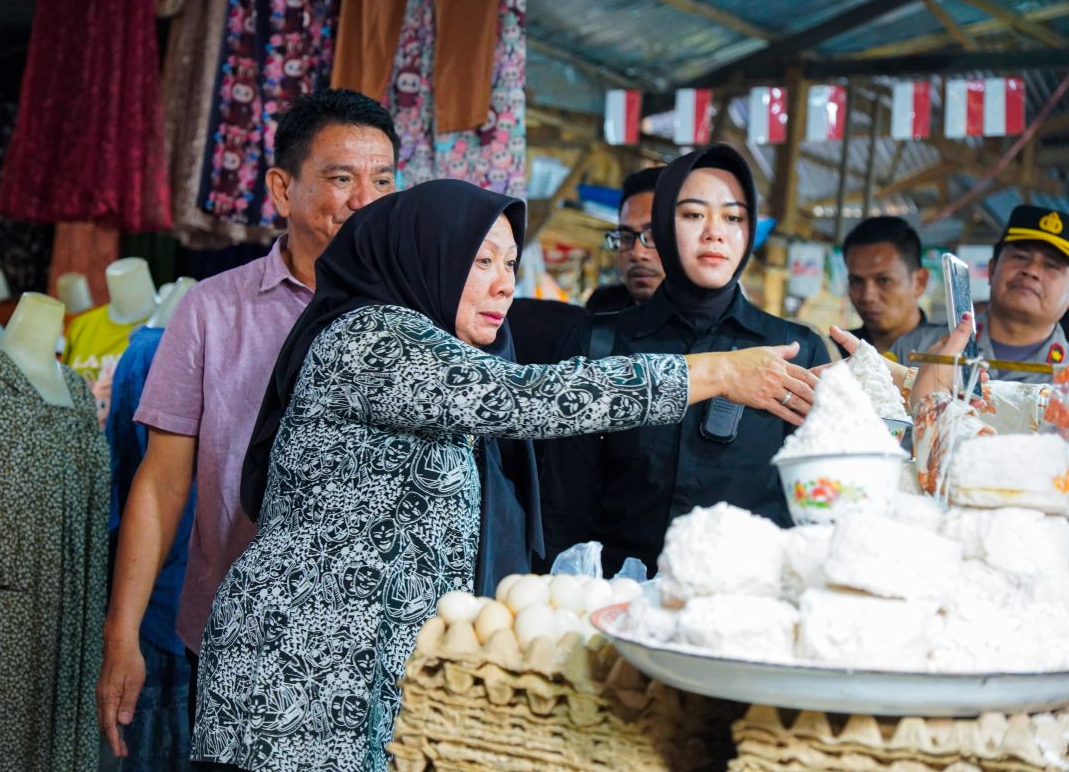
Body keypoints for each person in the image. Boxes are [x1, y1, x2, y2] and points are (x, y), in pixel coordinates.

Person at [189, 179, 816, 772]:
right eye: (481, 262)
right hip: (301, 670)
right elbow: (534, 398)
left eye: (511, 265)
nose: (502, 286)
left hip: (356, 672)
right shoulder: (373, 337)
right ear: (426, 256)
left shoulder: (436, 348)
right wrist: (718, 374)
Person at [96, 89, 400, 760]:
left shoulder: (413, 318)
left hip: (368, 645)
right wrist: (121, 636)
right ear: (282, 187)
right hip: (232, 634)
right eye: (342, 177)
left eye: (383, 180)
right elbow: (161, 481)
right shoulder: (212, 311)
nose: (365, 200)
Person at [538, 143, 829, 576]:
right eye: (693, 214)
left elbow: (817, 505)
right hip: (617, 606)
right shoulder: (598, 342)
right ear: (660, 225)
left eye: (734, 218)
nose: (715, 233)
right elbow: (563, 507)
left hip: (747, 607)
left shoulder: (797, 350)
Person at [893, 205, 1069, 382]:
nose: (1031, 271)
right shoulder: (918, 347)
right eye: (1020, 257)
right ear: (992, 270)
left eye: (1051, 266)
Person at [842, 216, 931, 357]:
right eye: (857, 282)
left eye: (884, 280)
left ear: (920, 282)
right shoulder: (829, 356)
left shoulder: (947, 356)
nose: (867, 296)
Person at [585, 166, 665, 313]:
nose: (637, 253)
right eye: (626, 237)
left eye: (654, 235)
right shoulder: (602, 314)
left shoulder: (716, 331)